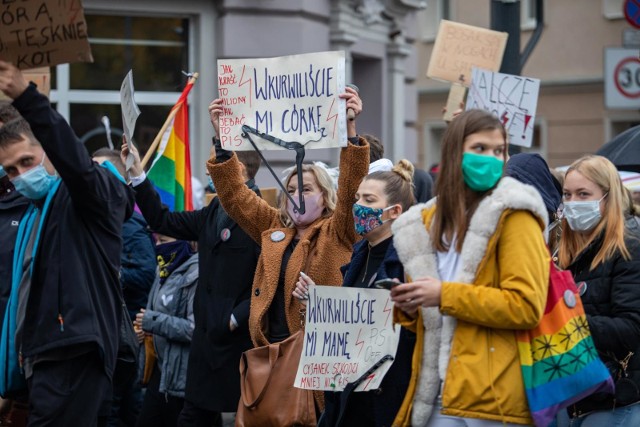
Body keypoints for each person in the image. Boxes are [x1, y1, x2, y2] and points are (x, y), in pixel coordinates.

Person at [206, 87, 369, 414]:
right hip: (272, 358)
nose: (297, 195)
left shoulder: (338, 230)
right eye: (291, 189)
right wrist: (223, 141)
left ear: (325, 195)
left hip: (317, 363)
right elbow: (237, 197)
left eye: (306, 189)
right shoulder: (274, 228)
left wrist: (350, 132)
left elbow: (353, 191)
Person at [389, 109, 550, 426]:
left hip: (492, 400)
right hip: (435, 395)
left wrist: (443, 294)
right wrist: (410, 306)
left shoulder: (515, 215)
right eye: (480, 148)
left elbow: (526, 305)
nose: (492, 158)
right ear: (453, 152)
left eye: (499, 150)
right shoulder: (424, 224)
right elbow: (432, 322)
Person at [0, 61, 133, 425]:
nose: (21, 175)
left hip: (75, 353)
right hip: (43, 359)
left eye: (27, 161)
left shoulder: (91, 195)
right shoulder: (35, 213)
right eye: (11, 170)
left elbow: (76, 163)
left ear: (51, 153)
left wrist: (26, 97)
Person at [121, 141, 262, 427]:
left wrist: (234, 318)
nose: (207, 170)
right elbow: (162, 219)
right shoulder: (213, 210)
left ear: (238, 171)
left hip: (235, 347)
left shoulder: (261, 216)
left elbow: (269, 280)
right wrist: (137, 172)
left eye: (214, 163)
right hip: (203, 348)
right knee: (194, 417)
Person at [295, 160, 417, 427]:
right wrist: (320, 302)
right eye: (357, 198)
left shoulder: (411, 262)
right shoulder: (360, 255)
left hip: (384, 396)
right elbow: (352, 320)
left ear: (394, 211)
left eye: (369, 199)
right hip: (349, 394)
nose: (358, 206)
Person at [555, 155, 640, 427]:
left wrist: (567, 322)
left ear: (608, 197)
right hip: (574, 397)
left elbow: (631, 328)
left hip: (615, 401)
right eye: (567, 195)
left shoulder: (629, 248)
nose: (573, 203)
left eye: (583, 194)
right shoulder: (567, 252)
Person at [92, 148, 156, 427]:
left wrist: (106, 275)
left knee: (120, 407)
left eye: (101, 171)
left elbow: (145, 272)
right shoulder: (101, 218)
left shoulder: (128, 223)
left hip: (129, 331)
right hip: (109, 329)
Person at [135, 232, 198, 427]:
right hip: (160, 371)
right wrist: (143, 330)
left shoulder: (196, 273)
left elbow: (193, 329)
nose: (158, 246)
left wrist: (152, 322)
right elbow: (151, 312)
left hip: (182, 379)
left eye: (163, 241)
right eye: (156, 240)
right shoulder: (162, 270)